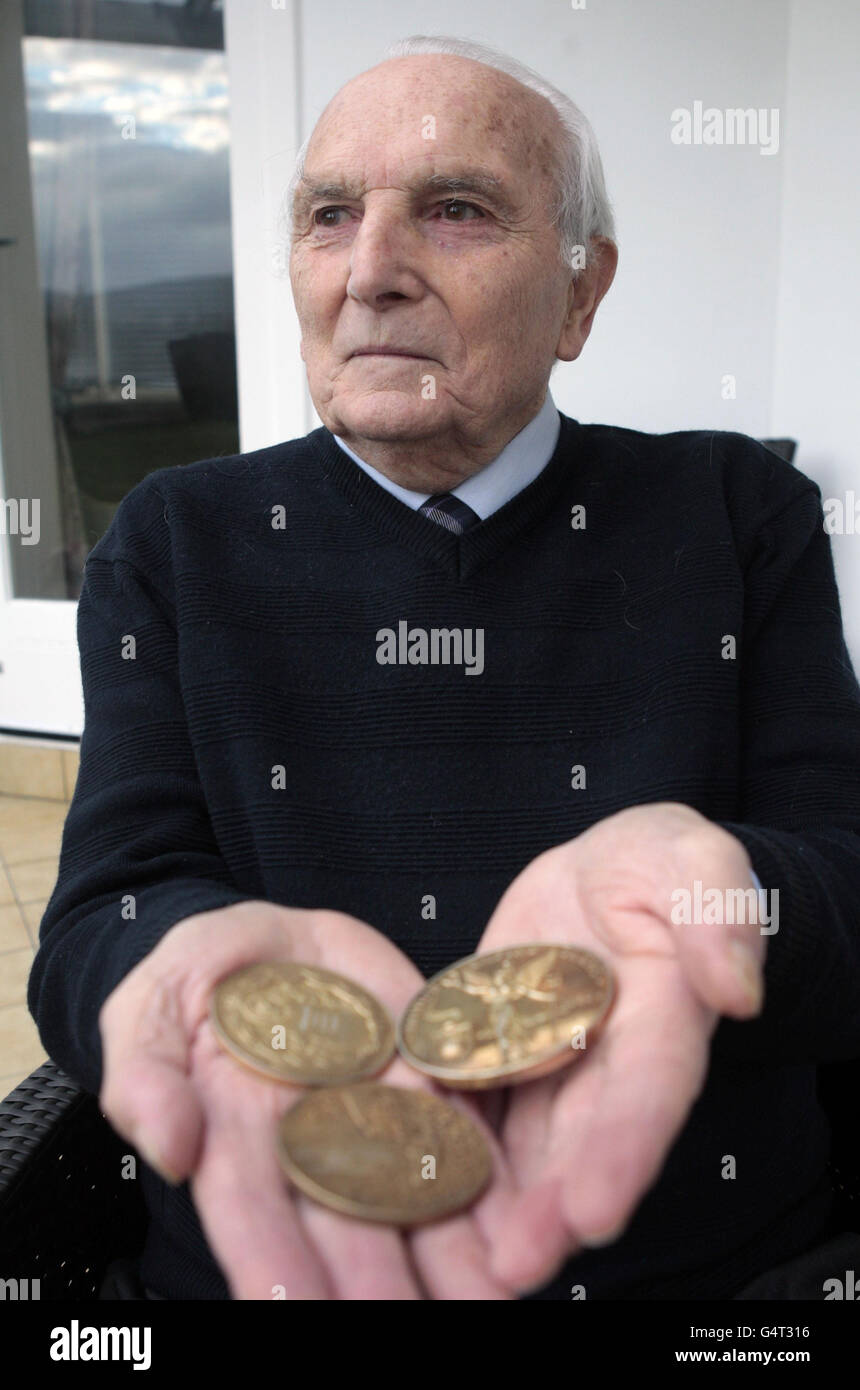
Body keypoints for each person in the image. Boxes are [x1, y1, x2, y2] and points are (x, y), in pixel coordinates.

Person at [28, 34, 860, 1301]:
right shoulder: (174, 539)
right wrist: (184, 963)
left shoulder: (738, 510)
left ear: (581, 294)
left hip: (713, 1280)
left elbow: (845, 897)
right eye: (328, 216)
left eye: (455, 210)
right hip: (279, 1267)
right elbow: (100, 919)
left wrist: (725, 895)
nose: (371, 272)